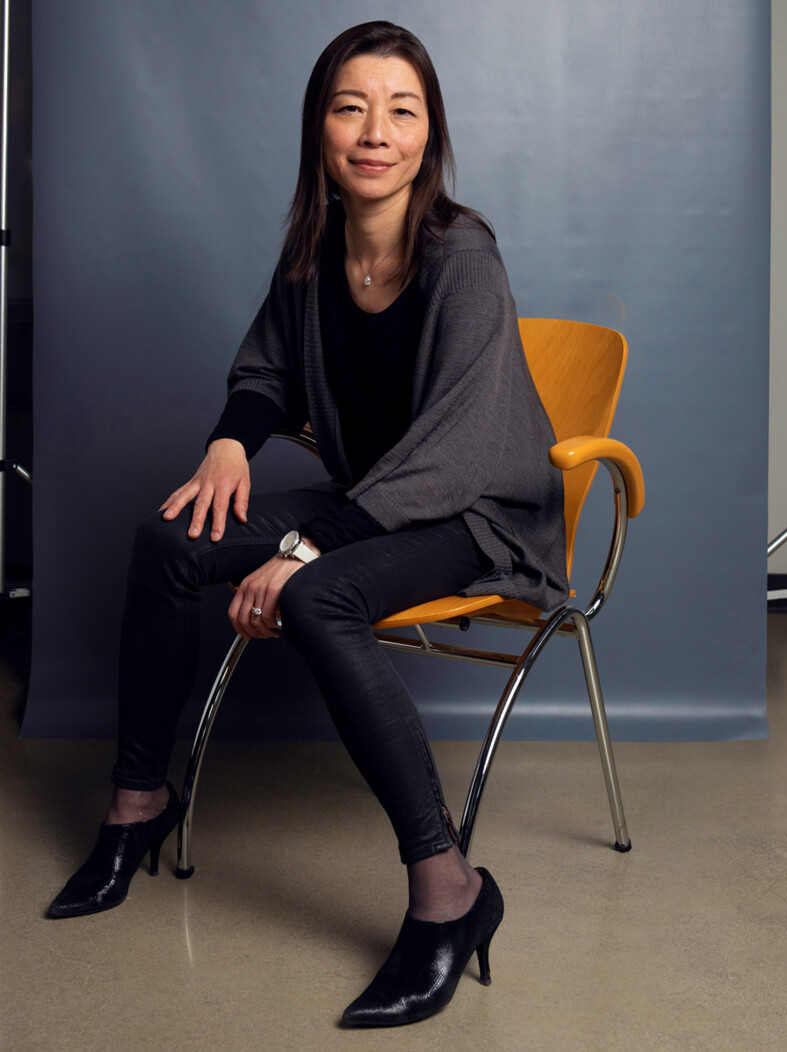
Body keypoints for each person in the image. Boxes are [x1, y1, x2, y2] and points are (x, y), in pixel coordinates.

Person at [46, 21, 568, 1027]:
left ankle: (450, 889)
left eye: (402, 110)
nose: (376, 130)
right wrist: (234, 441)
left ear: (431, 135)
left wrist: (305, 547)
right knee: (168, 541)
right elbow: (264, 373)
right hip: (375, 498)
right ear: (319, 129)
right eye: (350, 105)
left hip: (477, 514)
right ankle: (137, 802)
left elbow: (459, 449)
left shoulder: (464, 256)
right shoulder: (314, 253)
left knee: (321, 593)